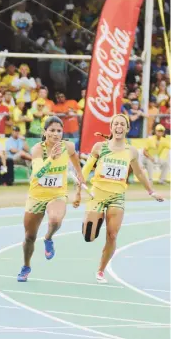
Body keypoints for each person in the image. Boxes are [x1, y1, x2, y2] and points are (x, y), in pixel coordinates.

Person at [81, 114, 164, 284]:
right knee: (88, 236)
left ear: (126, 129)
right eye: (116, 124)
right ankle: (96, 218)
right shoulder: (100, 147)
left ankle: (100, 271)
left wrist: (151, 192)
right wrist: (78, 190)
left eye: (122, 124)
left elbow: (140, 172)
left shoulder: (131, 151)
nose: (119, 126)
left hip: (117, 196)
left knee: (112, 235)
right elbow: (86, 169)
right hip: (97, 194)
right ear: (111, 128)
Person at [17, 116, 84, 282]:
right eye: (52, 130)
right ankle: (26, 266)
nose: (55, 134)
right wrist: (51, 159)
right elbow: (38, 172)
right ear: (45, 132)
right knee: (29, 237)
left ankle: (48, 237)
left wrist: (79, 173)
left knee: (55, 220)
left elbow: (74, 156)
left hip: (57, 193)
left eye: (59, 131)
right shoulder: (37, 149)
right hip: (37, 195)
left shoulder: (67, 146)